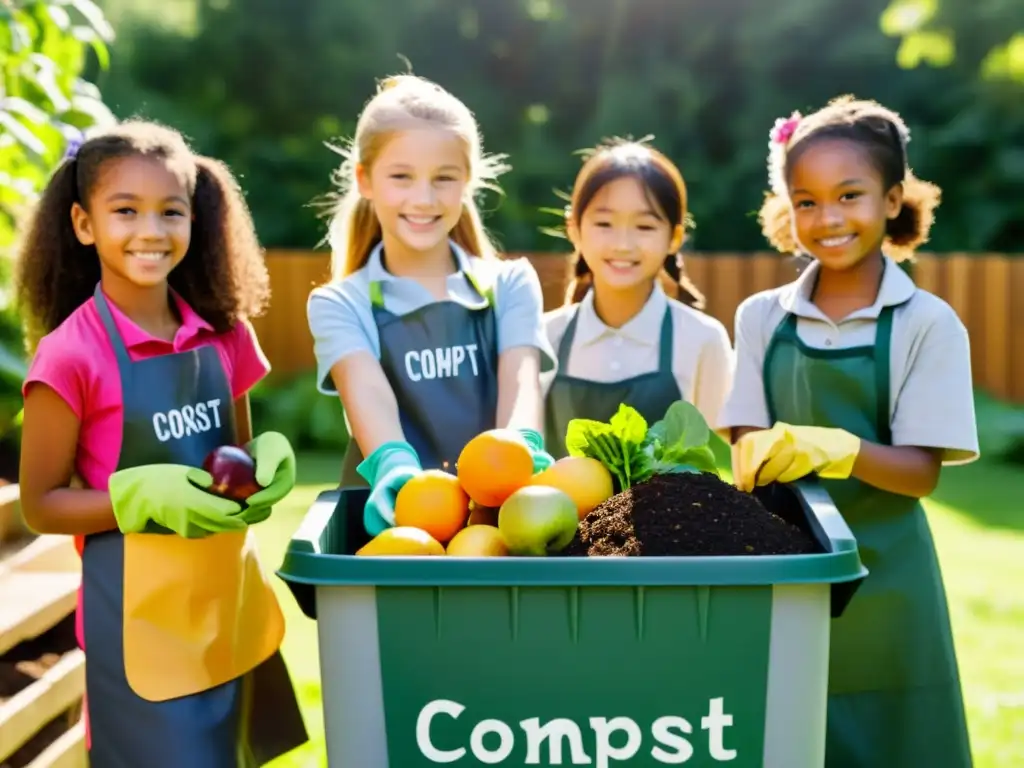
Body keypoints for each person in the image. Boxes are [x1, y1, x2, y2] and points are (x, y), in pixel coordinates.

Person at [15, 119, 308, 766]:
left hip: (225, 606)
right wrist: (134, 497)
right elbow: (40, 504)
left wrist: (265, 471)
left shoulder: (224, 334)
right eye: (125, 211)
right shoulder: (70, 356)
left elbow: (239, 454)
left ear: (194, 220)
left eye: (170, 212)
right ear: (84, 224)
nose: (151, 231)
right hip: (138, 630)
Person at [720, 96, 978, 767]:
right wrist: (759, 451)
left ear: (892, 200)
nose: (827, 219)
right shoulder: (760, 318)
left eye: (849, 196)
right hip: (787, 577)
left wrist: (838, 448)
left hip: (892, 589)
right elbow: (744, 442)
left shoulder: (926, 323)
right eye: (805, 201)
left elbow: (920, 473)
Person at [306, 74, 556, 536]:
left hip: (499, 524)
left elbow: (521, 379)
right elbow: (369, 393)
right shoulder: (339, 303)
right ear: (365, 179)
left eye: (444, 179)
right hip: (392, 527)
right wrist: (396, 473)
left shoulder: (511, 283)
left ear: (468, 183)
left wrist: (521, 450)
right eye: (401, 177)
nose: (423, 199)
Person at [541, 138, 733, 458]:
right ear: (574, 230)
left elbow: (721, 470)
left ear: (674, 238)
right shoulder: (543, 338)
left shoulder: (703, 340)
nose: (623, 244)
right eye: (604, 224)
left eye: (644, 226)